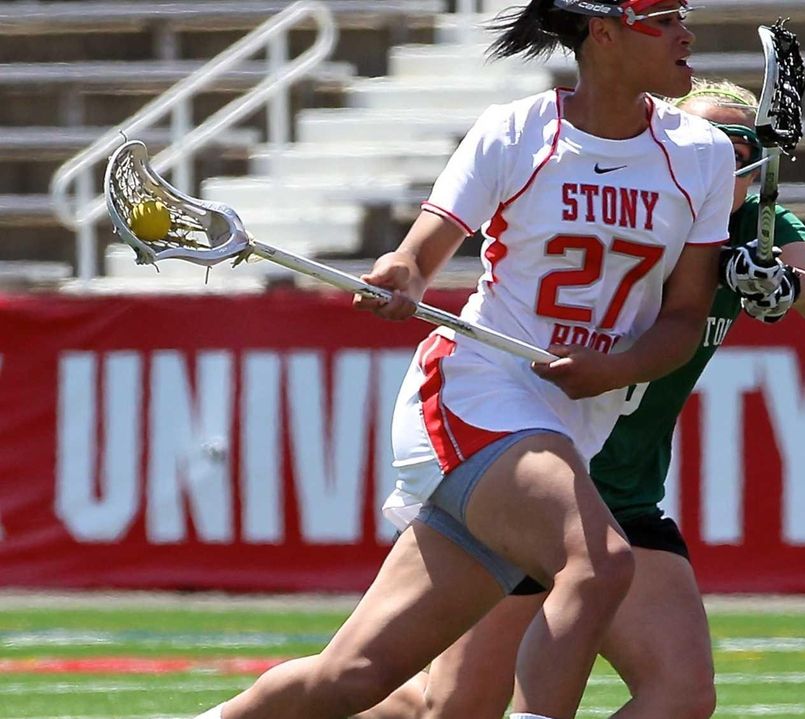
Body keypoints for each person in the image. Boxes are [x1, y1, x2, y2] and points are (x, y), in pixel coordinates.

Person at [191, 2, 737, 719]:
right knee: (597, 561)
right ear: (603, 33)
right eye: (664, 19)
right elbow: (420, 255)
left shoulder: (702, 153)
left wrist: (617, 368)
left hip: (570, 423)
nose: (685, 34)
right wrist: (401, 277)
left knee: (354, 676)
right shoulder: (516, 131)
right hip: (476, 392)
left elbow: (683, 318)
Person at [357, 79, 805, 719]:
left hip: (627, 492)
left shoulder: (757, 229)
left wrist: (781, 281)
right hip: (537, 477)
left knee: (682, 694)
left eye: (741, 148)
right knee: (449, 707)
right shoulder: (648, 204)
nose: (723, 161)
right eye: (711, 141)